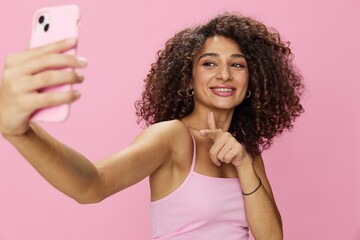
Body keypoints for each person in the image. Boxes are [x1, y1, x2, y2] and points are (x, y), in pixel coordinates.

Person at [0, 13, 304, 240]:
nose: (224, 74)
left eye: (237, 64)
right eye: (209, 63)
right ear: (188, 78)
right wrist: (21, 132)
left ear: (251, 82)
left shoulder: (246, 153)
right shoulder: (172, 137)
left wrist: (244, 164)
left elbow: (271, 237)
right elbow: (92, 184)